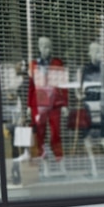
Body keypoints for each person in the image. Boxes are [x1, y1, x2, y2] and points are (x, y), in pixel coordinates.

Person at [78, 42, 104, 177]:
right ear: (89, 53)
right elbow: (78, 91)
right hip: (89, 106)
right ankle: (94, 168)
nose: (98, 54)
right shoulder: (84, 70)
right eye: (95, 51)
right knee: (87, 139)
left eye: (100, 51)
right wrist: (80, 96)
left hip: (103, 107)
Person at [28, 36, 68, 176]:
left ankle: (60, 162)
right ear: (38, 47)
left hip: (54, 105)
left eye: (48, 45)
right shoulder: (34, 64)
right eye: (43, 45)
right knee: (40, 134)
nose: (45, 48)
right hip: (38, 105)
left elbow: (63, 85)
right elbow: (31, 86)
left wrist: (64, 104)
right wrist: (28, 106)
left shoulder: (57, 63)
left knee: (55, 134)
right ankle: (45, 166)